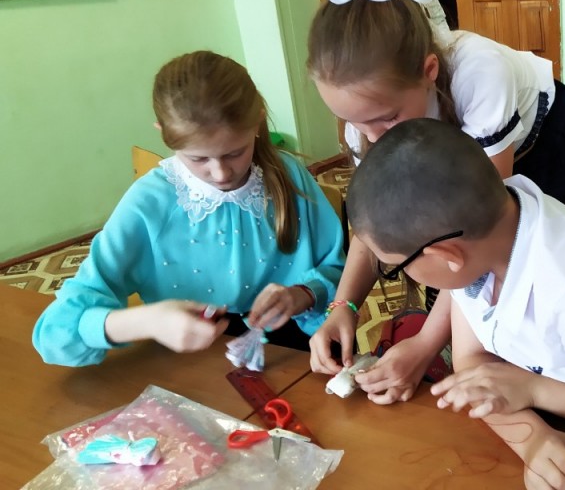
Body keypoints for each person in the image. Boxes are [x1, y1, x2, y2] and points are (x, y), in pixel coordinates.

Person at [306, 0, 565, 405]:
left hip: (537, 143)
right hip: (454, 162)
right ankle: (480, 361)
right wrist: (344, 305)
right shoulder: (368, 122)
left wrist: (426, 343)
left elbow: (479, 231)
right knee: (452, 274)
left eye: (385, 118)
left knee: (546, 274)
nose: (371, 137)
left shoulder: (480, 75)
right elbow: (373, 221)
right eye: (353, 121)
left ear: (429, 72)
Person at [345, 118, 565, 489]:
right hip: (563, 425)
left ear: (446, 255)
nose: (401, 274)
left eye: (396, 267)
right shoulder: (483, 239)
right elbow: (474, 365)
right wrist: (532, 438)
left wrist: (534, 389)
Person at [33, 51, 346, 367]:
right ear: (164, 135)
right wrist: (148, 321)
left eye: (235, 153)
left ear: (257, 122)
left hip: (295, 350)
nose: (221, 174)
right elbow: (54, 335)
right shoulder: (149, 203)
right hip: (189, 360)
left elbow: (341, 273)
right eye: (198, 159)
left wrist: (303, 294)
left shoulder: (288, 176)